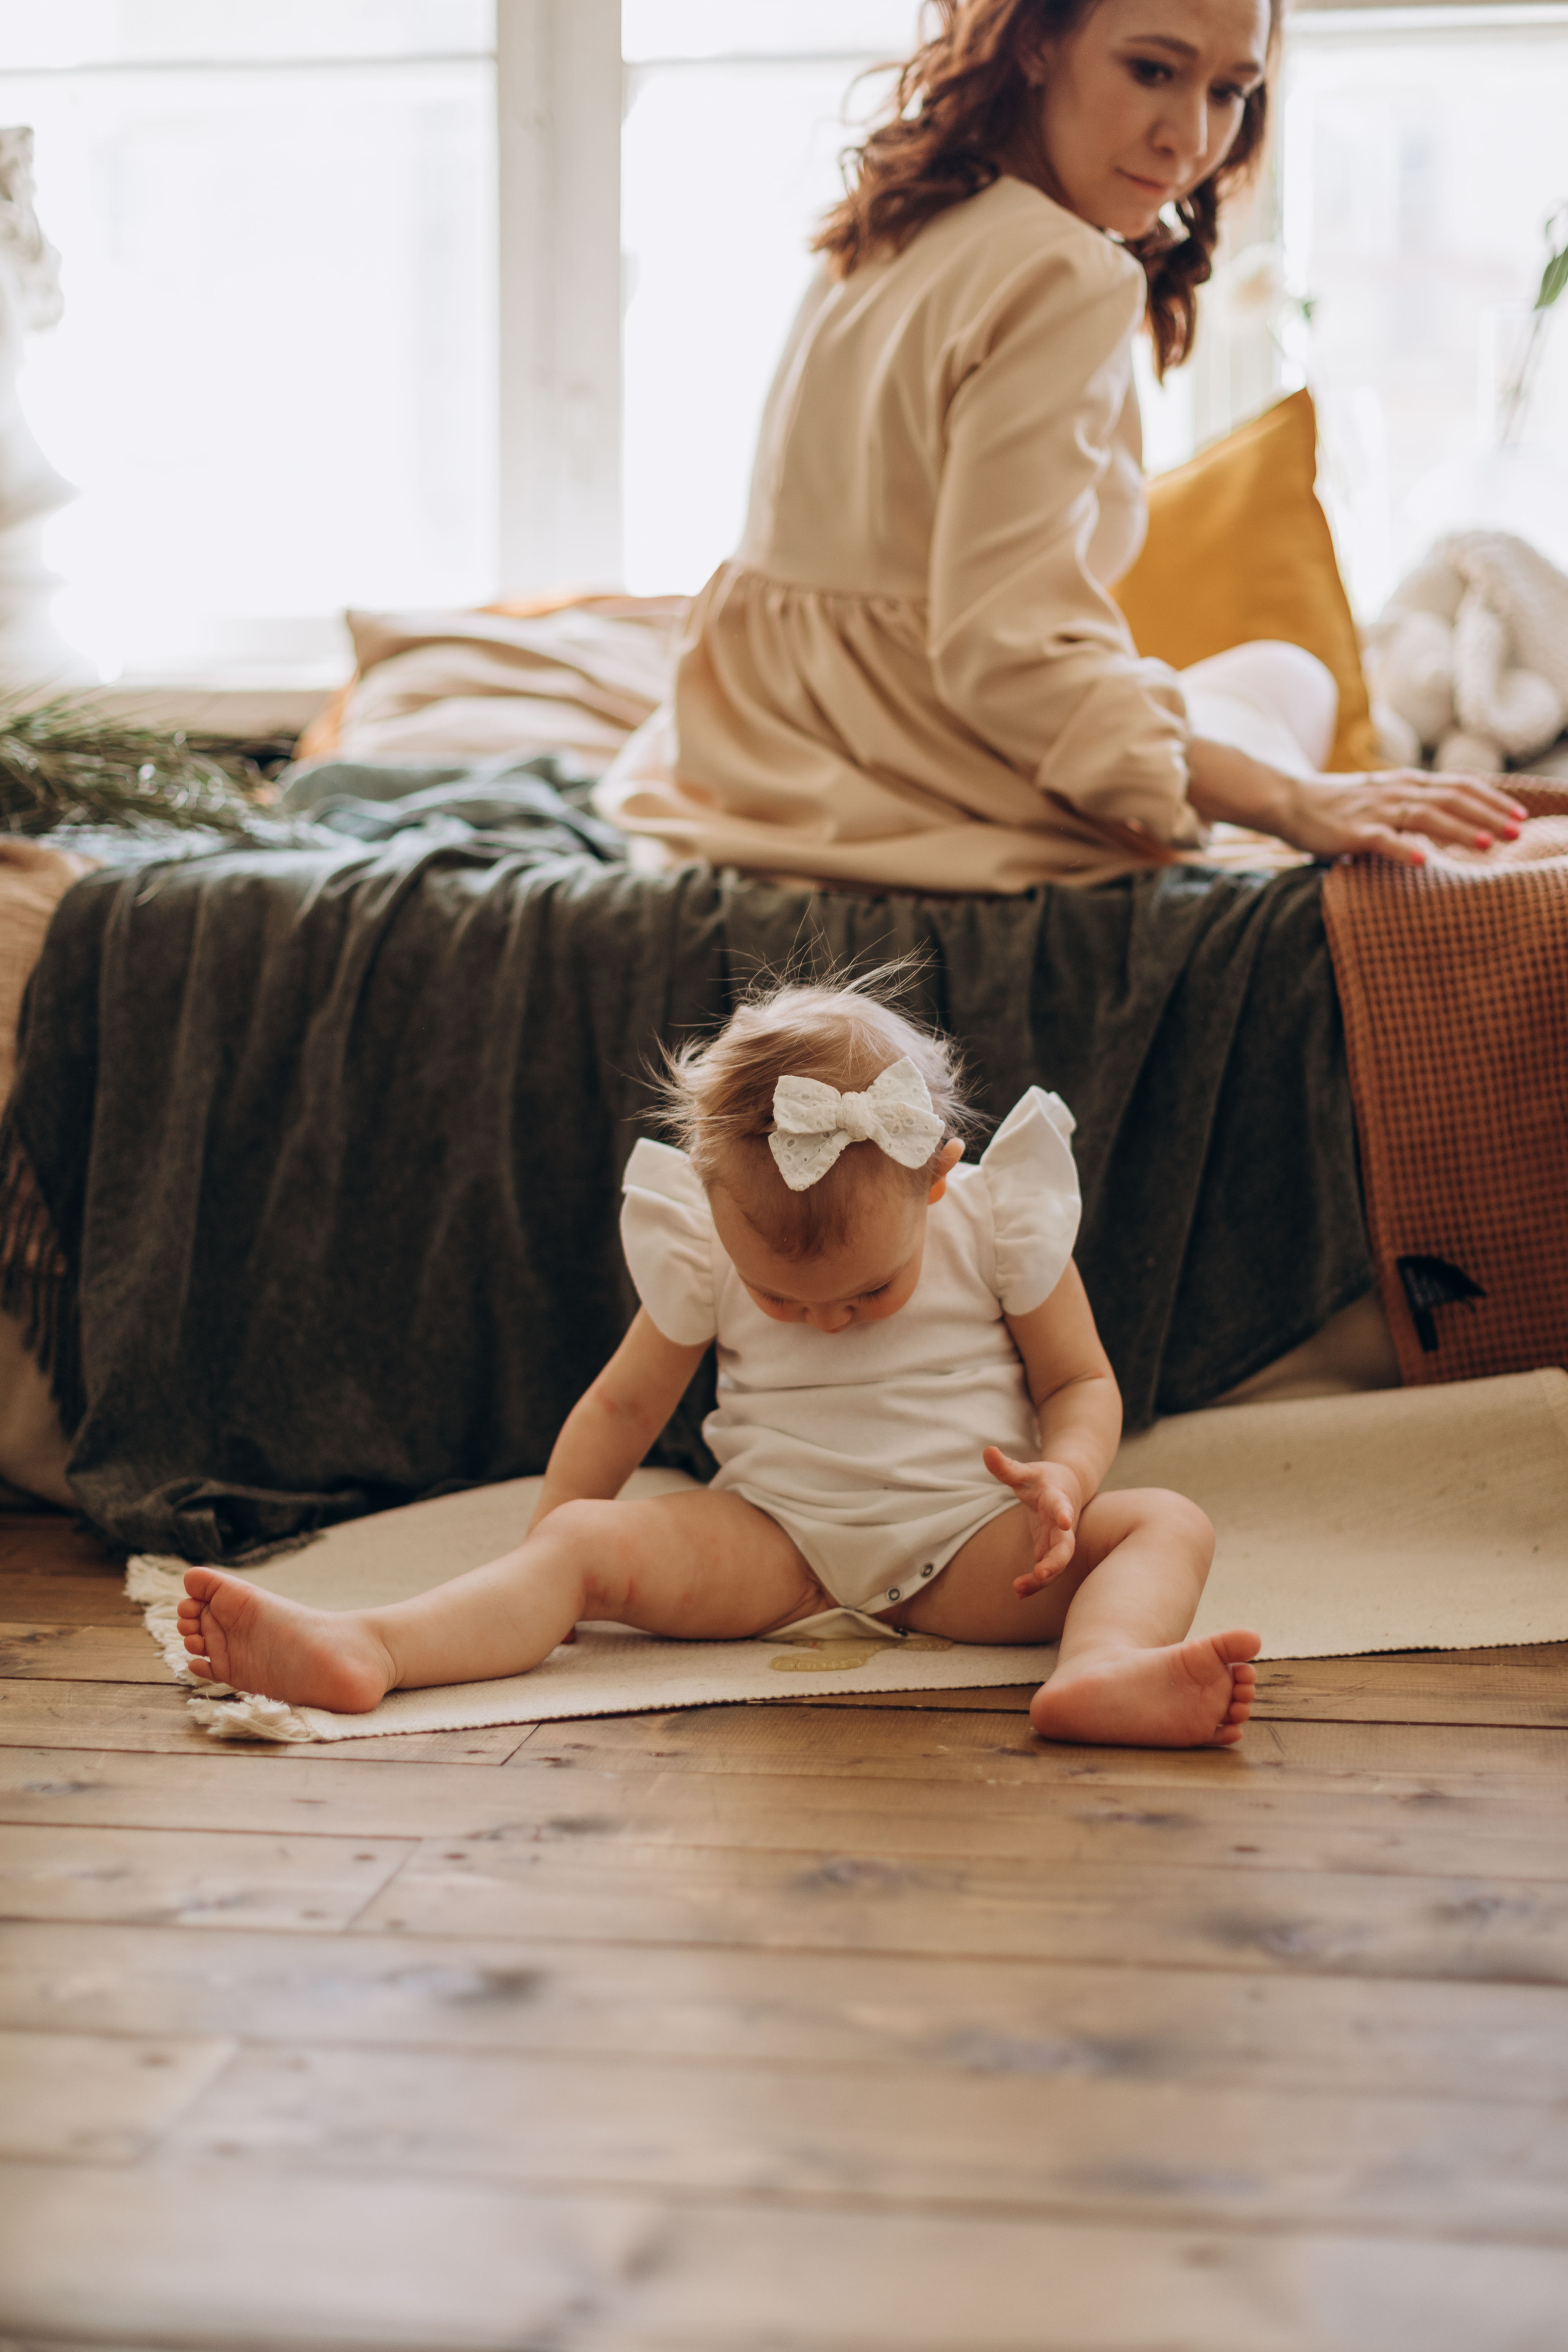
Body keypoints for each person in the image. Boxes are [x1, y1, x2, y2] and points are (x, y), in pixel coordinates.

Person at [178, 980, 1259, 1750]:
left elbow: (1080, 1383)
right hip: (773, 1543)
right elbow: (623, 1404)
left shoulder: (996, 1223)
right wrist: (555, 1546)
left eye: (868, 1295)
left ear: (938, 1178)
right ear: (709, 1205)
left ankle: (1100, 1673)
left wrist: (1066, 1480)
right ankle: (371, 1647)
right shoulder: (707, 1246)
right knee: (583, 1542)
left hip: (971, 1542)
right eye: (786, 1301)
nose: (824, 1322)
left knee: (1165, 1519)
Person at [597, 0, 1524, 891]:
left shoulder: (895, 216)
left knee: (1255, 680)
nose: (1191, 139)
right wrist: (1289, 799)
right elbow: (1006, 657)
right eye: (1153, 70)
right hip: (912, 781)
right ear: (1036, 37)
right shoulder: (1064, 270)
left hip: (750, 755)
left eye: (1228, 91)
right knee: (1289, 676)